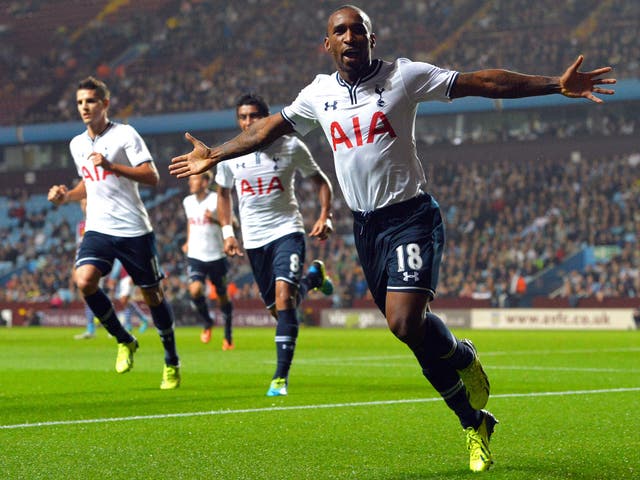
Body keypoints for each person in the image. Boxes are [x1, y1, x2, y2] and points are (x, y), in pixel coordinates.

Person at [168, 5, 616, 471]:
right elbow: (267, 129)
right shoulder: (318, 94)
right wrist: (216, 155)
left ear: (371, 38)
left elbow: (484, 83)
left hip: (410, 217)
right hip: (366, 229)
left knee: (404, 322)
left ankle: (463, 355)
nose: (349, 36)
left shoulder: (404, 76)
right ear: (328, 44)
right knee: (414, 334)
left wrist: (554, 85)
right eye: (339, 31)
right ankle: (473, 421)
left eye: (357, 29)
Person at [48, 76, 182, 390]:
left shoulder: (125, 134)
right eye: (80, 102)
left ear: (105, 104)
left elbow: (152, 176)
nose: (84, 107)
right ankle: (124, 340)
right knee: (84, 281)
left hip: (133, 229)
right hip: (98, 227)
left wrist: (113, 166)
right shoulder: (77, 144)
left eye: (91, 101)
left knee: (152, 296)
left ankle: (171, 360)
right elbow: (89, 183)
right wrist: (65, 196)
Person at [215, 93, 335, 396]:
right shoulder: (231, 154)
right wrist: (228, 232)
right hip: (254, 241)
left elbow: (320, 181)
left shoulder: (291, 145)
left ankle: (280, 379)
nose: (247, 122)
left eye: (253, 116)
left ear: (266, 117)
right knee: (280, 308)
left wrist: (325, 215)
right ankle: (313, 278)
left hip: (287, 231)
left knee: (283, 300)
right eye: (242, 117)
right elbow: (222, 193)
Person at [182, 171, 235, 349]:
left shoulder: (217, 199)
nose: (190, 183)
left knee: (222, 296)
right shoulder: (187, 202)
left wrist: (214, 218)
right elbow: (190, 222)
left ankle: (228, 336)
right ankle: (207, 322)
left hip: (216, 255)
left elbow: (234, 223)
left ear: (205, 182)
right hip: (196, 255)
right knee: (195, 290)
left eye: (194, 179)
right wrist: (188, 242)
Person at [108, 258, 150, 334]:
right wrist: (113, 277)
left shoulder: (129, 248)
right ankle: (143, 319)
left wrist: (133, 275)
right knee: (124, 302)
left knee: (124, 300)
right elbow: (117, 265)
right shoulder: (119, 250)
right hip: (122, 278)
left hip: (129, 276)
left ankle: (128, 325)